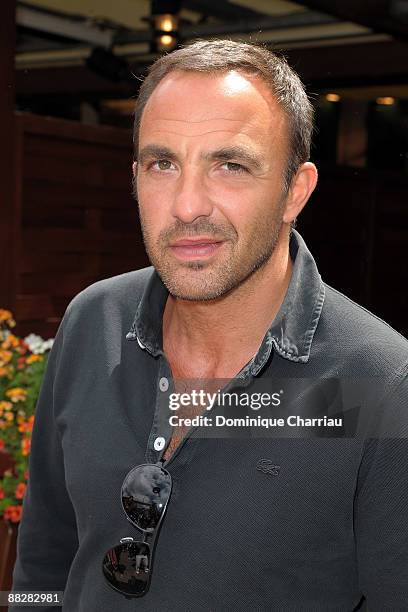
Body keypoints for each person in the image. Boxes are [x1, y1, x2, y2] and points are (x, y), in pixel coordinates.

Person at [11, 39, 408, 611]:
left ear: (295, 190)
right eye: (162, 163)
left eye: (230, 165)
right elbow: (45, 558)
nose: (186, 204)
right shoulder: (91, 322)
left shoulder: (380, 384)